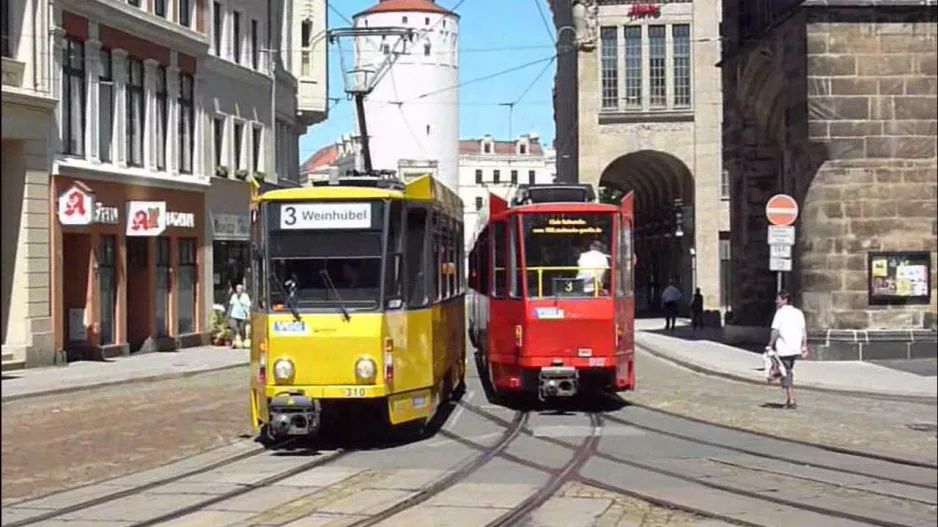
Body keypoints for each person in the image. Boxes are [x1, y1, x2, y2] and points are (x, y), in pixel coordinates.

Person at [767, 289, 808, 409]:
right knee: (787, 369)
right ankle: (788, 396)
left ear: (785, 300)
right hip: (795, 348)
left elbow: (775, 330)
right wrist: (804, 345)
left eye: (778, 299)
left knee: (786, 372)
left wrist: (770, 344)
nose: (776, 301)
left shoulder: (780, 313)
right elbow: (803, 330)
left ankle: (791, 399)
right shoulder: (798, 312)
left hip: (784, 347)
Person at [227, 284, 251, 349]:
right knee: (233, 327)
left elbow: (248, 306)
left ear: (242, 290)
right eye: (237, 288)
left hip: (242, 316)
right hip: (234, 315)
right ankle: (234, 342)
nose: (238, 290)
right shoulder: (234, 296)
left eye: (240, 289)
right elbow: (231, 305)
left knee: (242, 329)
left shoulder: (246, 296)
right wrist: (228, 314)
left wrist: (248, 315)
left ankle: (242, 342)